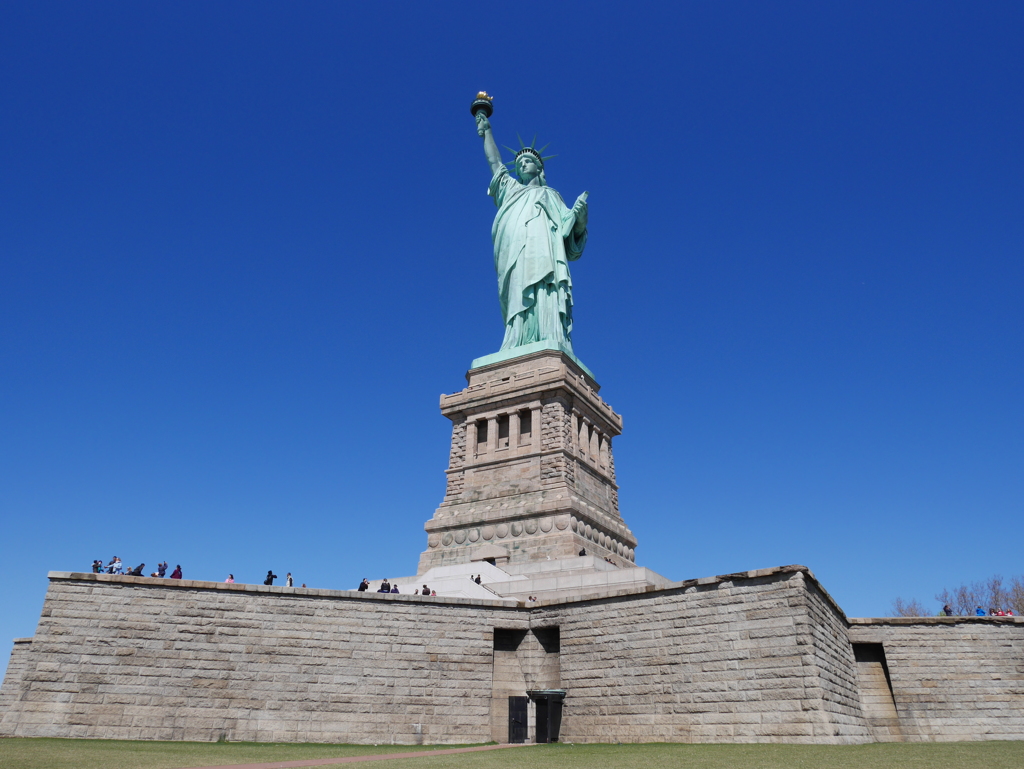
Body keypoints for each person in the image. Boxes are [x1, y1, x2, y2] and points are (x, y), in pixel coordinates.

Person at [474, 107, 589, 354]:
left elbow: (571, 240)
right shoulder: (511, 191)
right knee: (518, 291)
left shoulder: (551, 196)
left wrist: (579, 218)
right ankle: (517, 339)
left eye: (527, 161)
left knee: (545, 288)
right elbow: (495, 163)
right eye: (519, 163)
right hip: (516, 254)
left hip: (545, 254)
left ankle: (549, 334)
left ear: (539, 168)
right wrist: (487, 133)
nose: (522, 165)